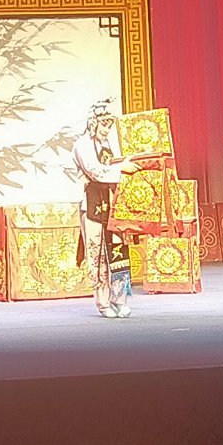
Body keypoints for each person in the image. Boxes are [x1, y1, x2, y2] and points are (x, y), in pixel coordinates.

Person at [73, 99, 139, 318]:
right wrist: (122, 169)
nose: (106, 129)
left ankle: (120, 298)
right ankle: (102, 301)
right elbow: (96, 172)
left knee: (119, 250)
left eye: (109, 124)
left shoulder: (112, 142)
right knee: (97, 253)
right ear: (93, 123)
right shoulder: (82, 145)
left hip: (115, 203)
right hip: (93, 203)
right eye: (103, 124)